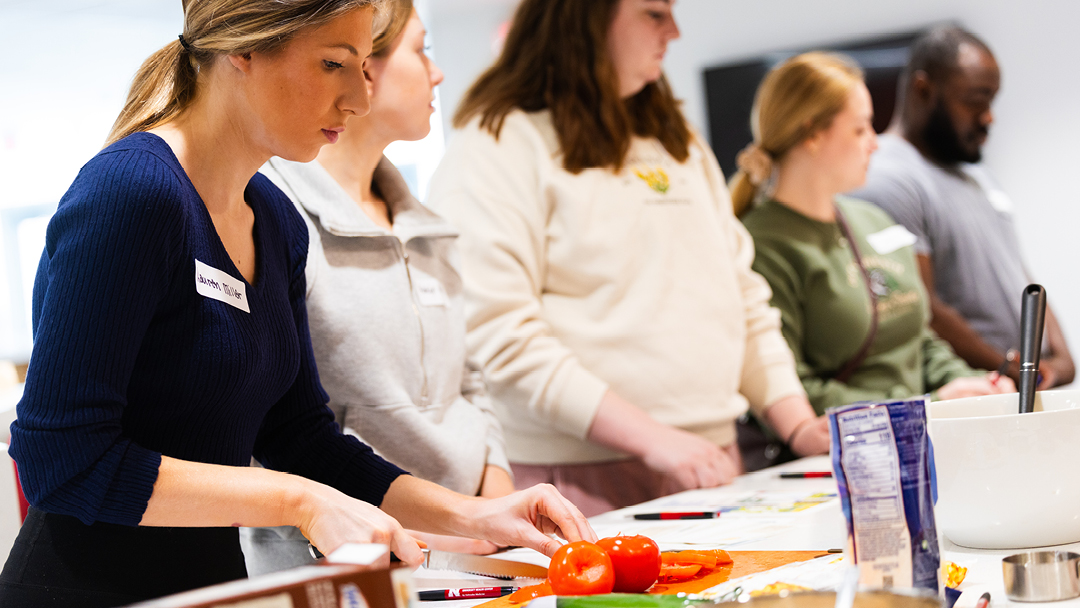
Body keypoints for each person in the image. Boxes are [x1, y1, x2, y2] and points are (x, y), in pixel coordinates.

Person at [0, 1, 593, 605]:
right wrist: (299, 500)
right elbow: (62, 460)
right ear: (243, 51)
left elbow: (302, 437)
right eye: (333, 64)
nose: (357, 100)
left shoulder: (275, 221)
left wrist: (472, 516)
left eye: (362, 67)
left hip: (212, 588)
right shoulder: (133, 194)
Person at [426, 0, 830, 517]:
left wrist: (797, 424)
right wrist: (654, 439)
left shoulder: (676, 142)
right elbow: (499, 335)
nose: (675, 31)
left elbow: (742, 297)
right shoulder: (497, 144)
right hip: (578, 482)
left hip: (712, 465)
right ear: (586, 17)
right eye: (654, 14)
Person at [241, 0, 513, 575]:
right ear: (363, 65)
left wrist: (492, 507)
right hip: (349, 561)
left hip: (468, 553)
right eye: (422, 50)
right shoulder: (269, 213)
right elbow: (288, 430)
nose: (437, 73)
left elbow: (470, 384)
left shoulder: (427, 224)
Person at [734, 52, 1015, 415]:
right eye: (860, 128)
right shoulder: (760, 244)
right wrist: (928, 406)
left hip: (918, 438)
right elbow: (789, 391)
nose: (875, 142)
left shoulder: (873, 220)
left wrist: (973, 385)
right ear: (813, 134)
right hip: (839, 456)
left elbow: (916, 341)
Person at [851, 26, 1074, 389]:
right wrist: (1008, 368)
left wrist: (1061, 359)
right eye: (975, 100)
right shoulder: (889, 178)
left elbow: (1024, 279)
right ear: (924, 90)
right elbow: (921, 307)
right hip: (976, 392)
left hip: (1021, 385)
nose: (989, 117)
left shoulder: (979, 177)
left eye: (992, 102)